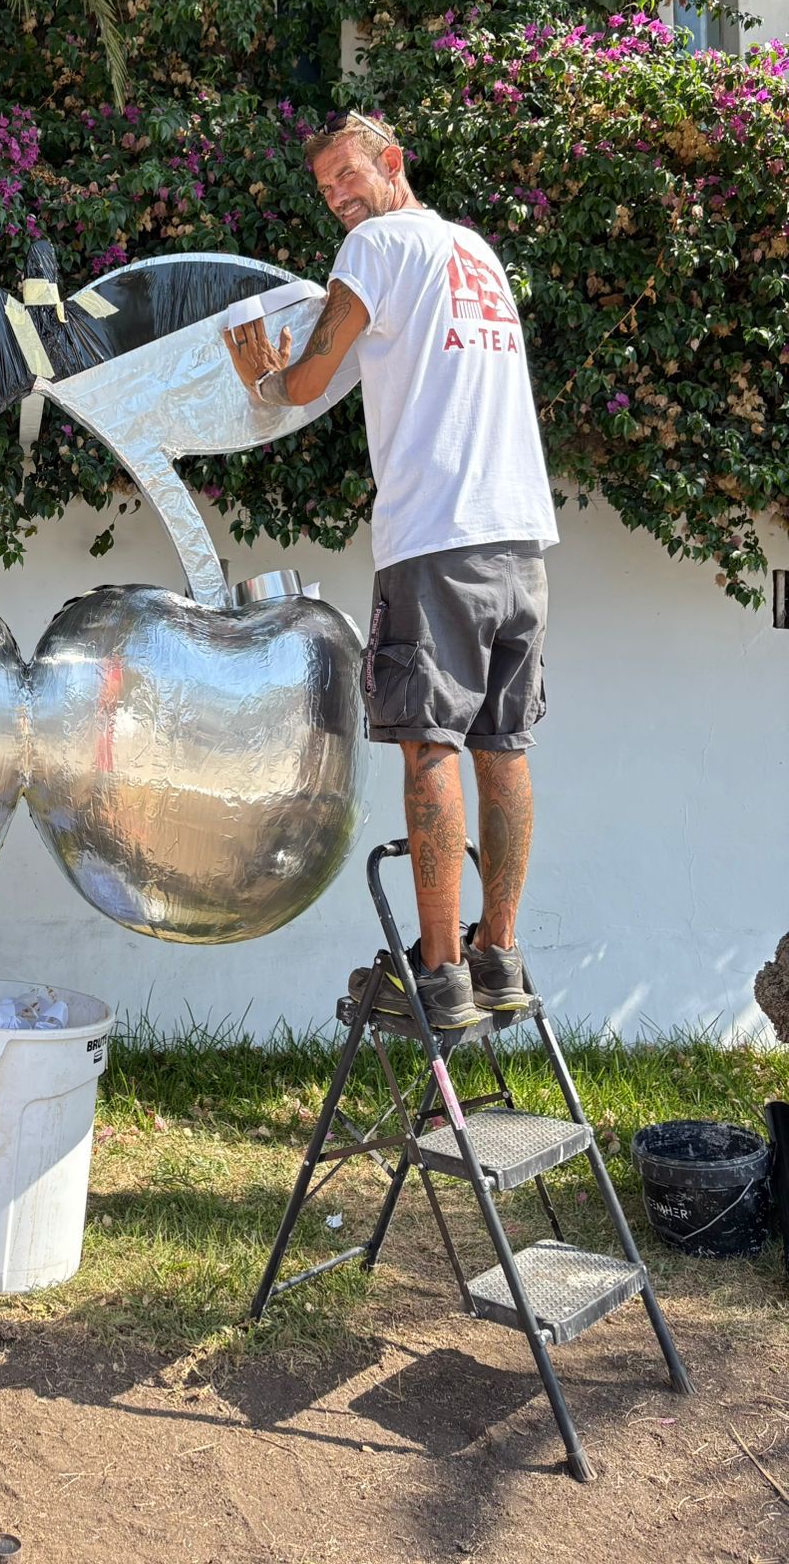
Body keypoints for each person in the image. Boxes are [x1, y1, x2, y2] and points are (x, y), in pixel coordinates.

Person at [225, 110, 559, 1031]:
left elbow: (305, 381)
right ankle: (500, 952)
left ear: (393, 163)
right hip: (520, 539)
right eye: (327, 188)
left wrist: (262, 374)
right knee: (505, 746)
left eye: (348, 177)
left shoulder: (378, 246)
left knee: (429, 745)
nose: (339, 199)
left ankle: (442, 971)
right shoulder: (476, 251)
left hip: (436, 536)